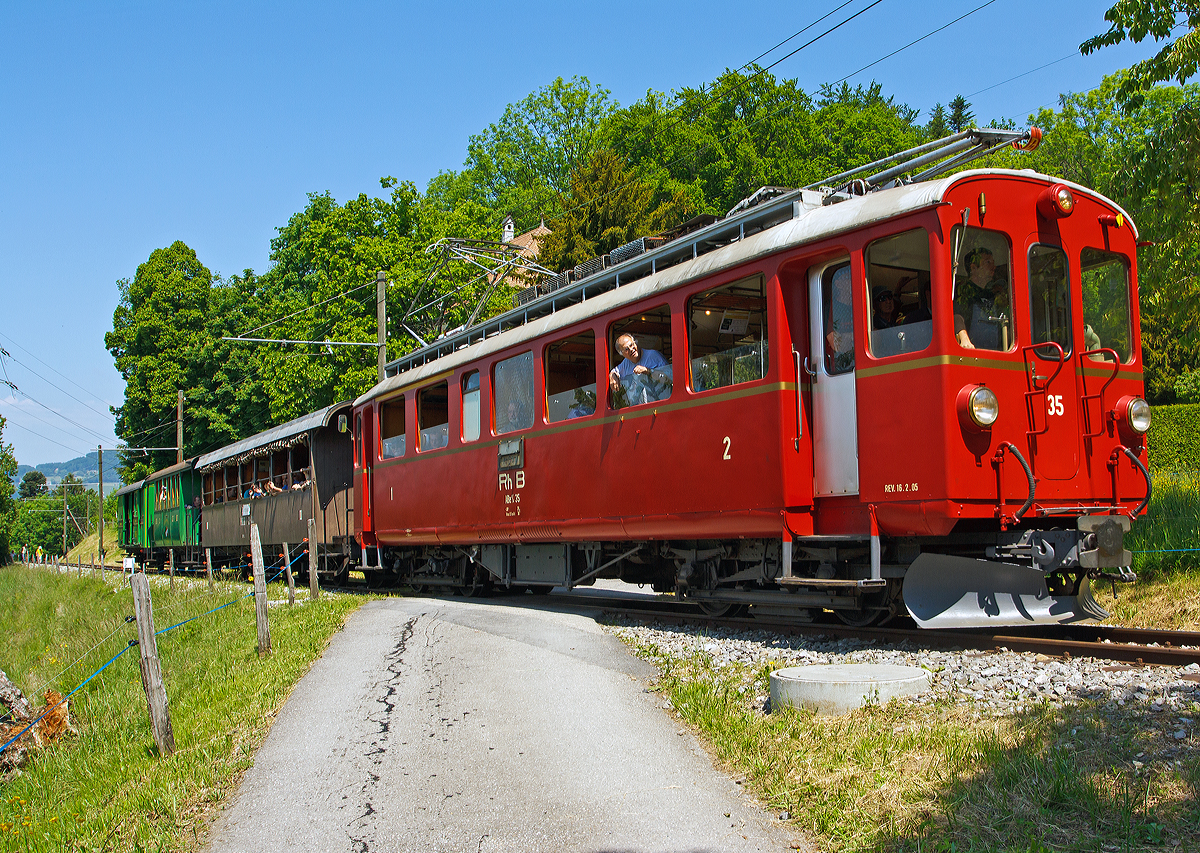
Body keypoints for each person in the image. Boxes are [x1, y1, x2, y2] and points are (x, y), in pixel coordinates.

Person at [954, 247, 1010, 350]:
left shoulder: (992, 294)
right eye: (988, 262)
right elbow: (957, 316)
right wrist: (964, 339)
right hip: (972, 355)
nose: (993, 267)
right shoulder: (965, 292)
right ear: (973, 268)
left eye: (993, 262)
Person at [609, 333, 671, 406]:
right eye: (626, 349)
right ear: (622, 354)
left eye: (631, 345)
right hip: (641, 410)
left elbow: (671, 377)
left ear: (635, 342)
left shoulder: (654, 355)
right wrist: (612, 376)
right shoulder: (625, 363)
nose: (631, 349)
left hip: (663, 405)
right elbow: (615, 371)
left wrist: (648, 371)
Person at [825, 266, 854, 372]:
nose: (852, 280)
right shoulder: (831, 308)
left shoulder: (858, 305)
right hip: (840, 369)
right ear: (837, 284)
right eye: (847, 277)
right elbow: (836, 344)